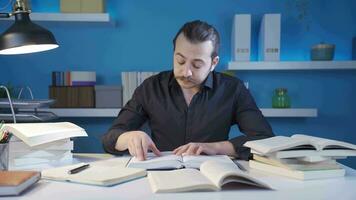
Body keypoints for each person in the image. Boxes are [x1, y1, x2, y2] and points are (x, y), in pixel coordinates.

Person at [102, 20, 274, 161]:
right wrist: (129, 138)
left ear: (214, 63)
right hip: (160, 176)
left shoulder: (233, 89)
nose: (186, 72)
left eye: (197, 65)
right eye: (180, 61)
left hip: (213, 175)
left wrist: (215, 147)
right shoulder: (151, 87)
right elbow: (111, 138)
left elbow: (264, 139)